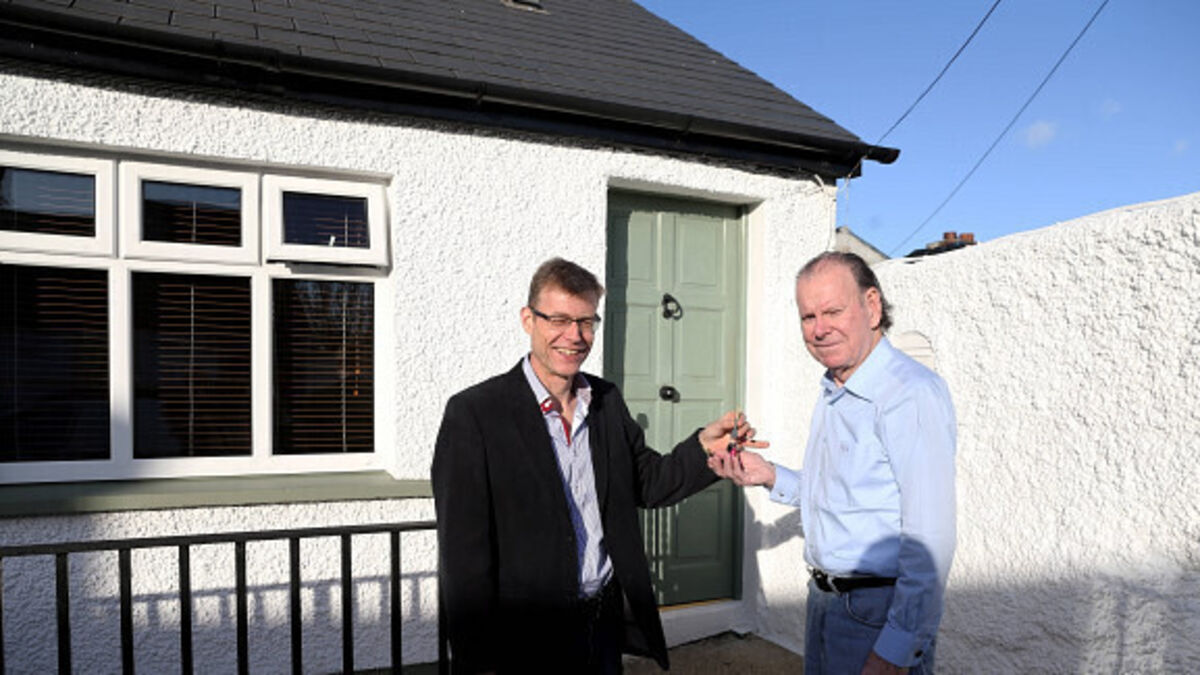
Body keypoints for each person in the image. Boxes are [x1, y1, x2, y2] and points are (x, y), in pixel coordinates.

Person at [432, 257, 763, 674]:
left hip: (601, 627)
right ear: (528, 320)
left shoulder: (605, 401)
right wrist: (477, 661)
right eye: (559, 320)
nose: (574, 336)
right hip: (523, 640)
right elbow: (464, 558)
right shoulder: (475, 414)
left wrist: (702, 449)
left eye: (586, 322)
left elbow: (648, 482)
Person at [709, 251, 956, 674]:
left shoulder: (909, 394)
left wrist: (896, 648)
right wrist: (769, 475)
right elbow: (843, 494)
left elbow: (930, 536)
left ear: (872, 306)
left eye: (833, 311)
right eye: (808, 317)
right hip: (826, 604)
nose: (819, 329)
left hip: (876, 615)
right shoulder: (835, 387)